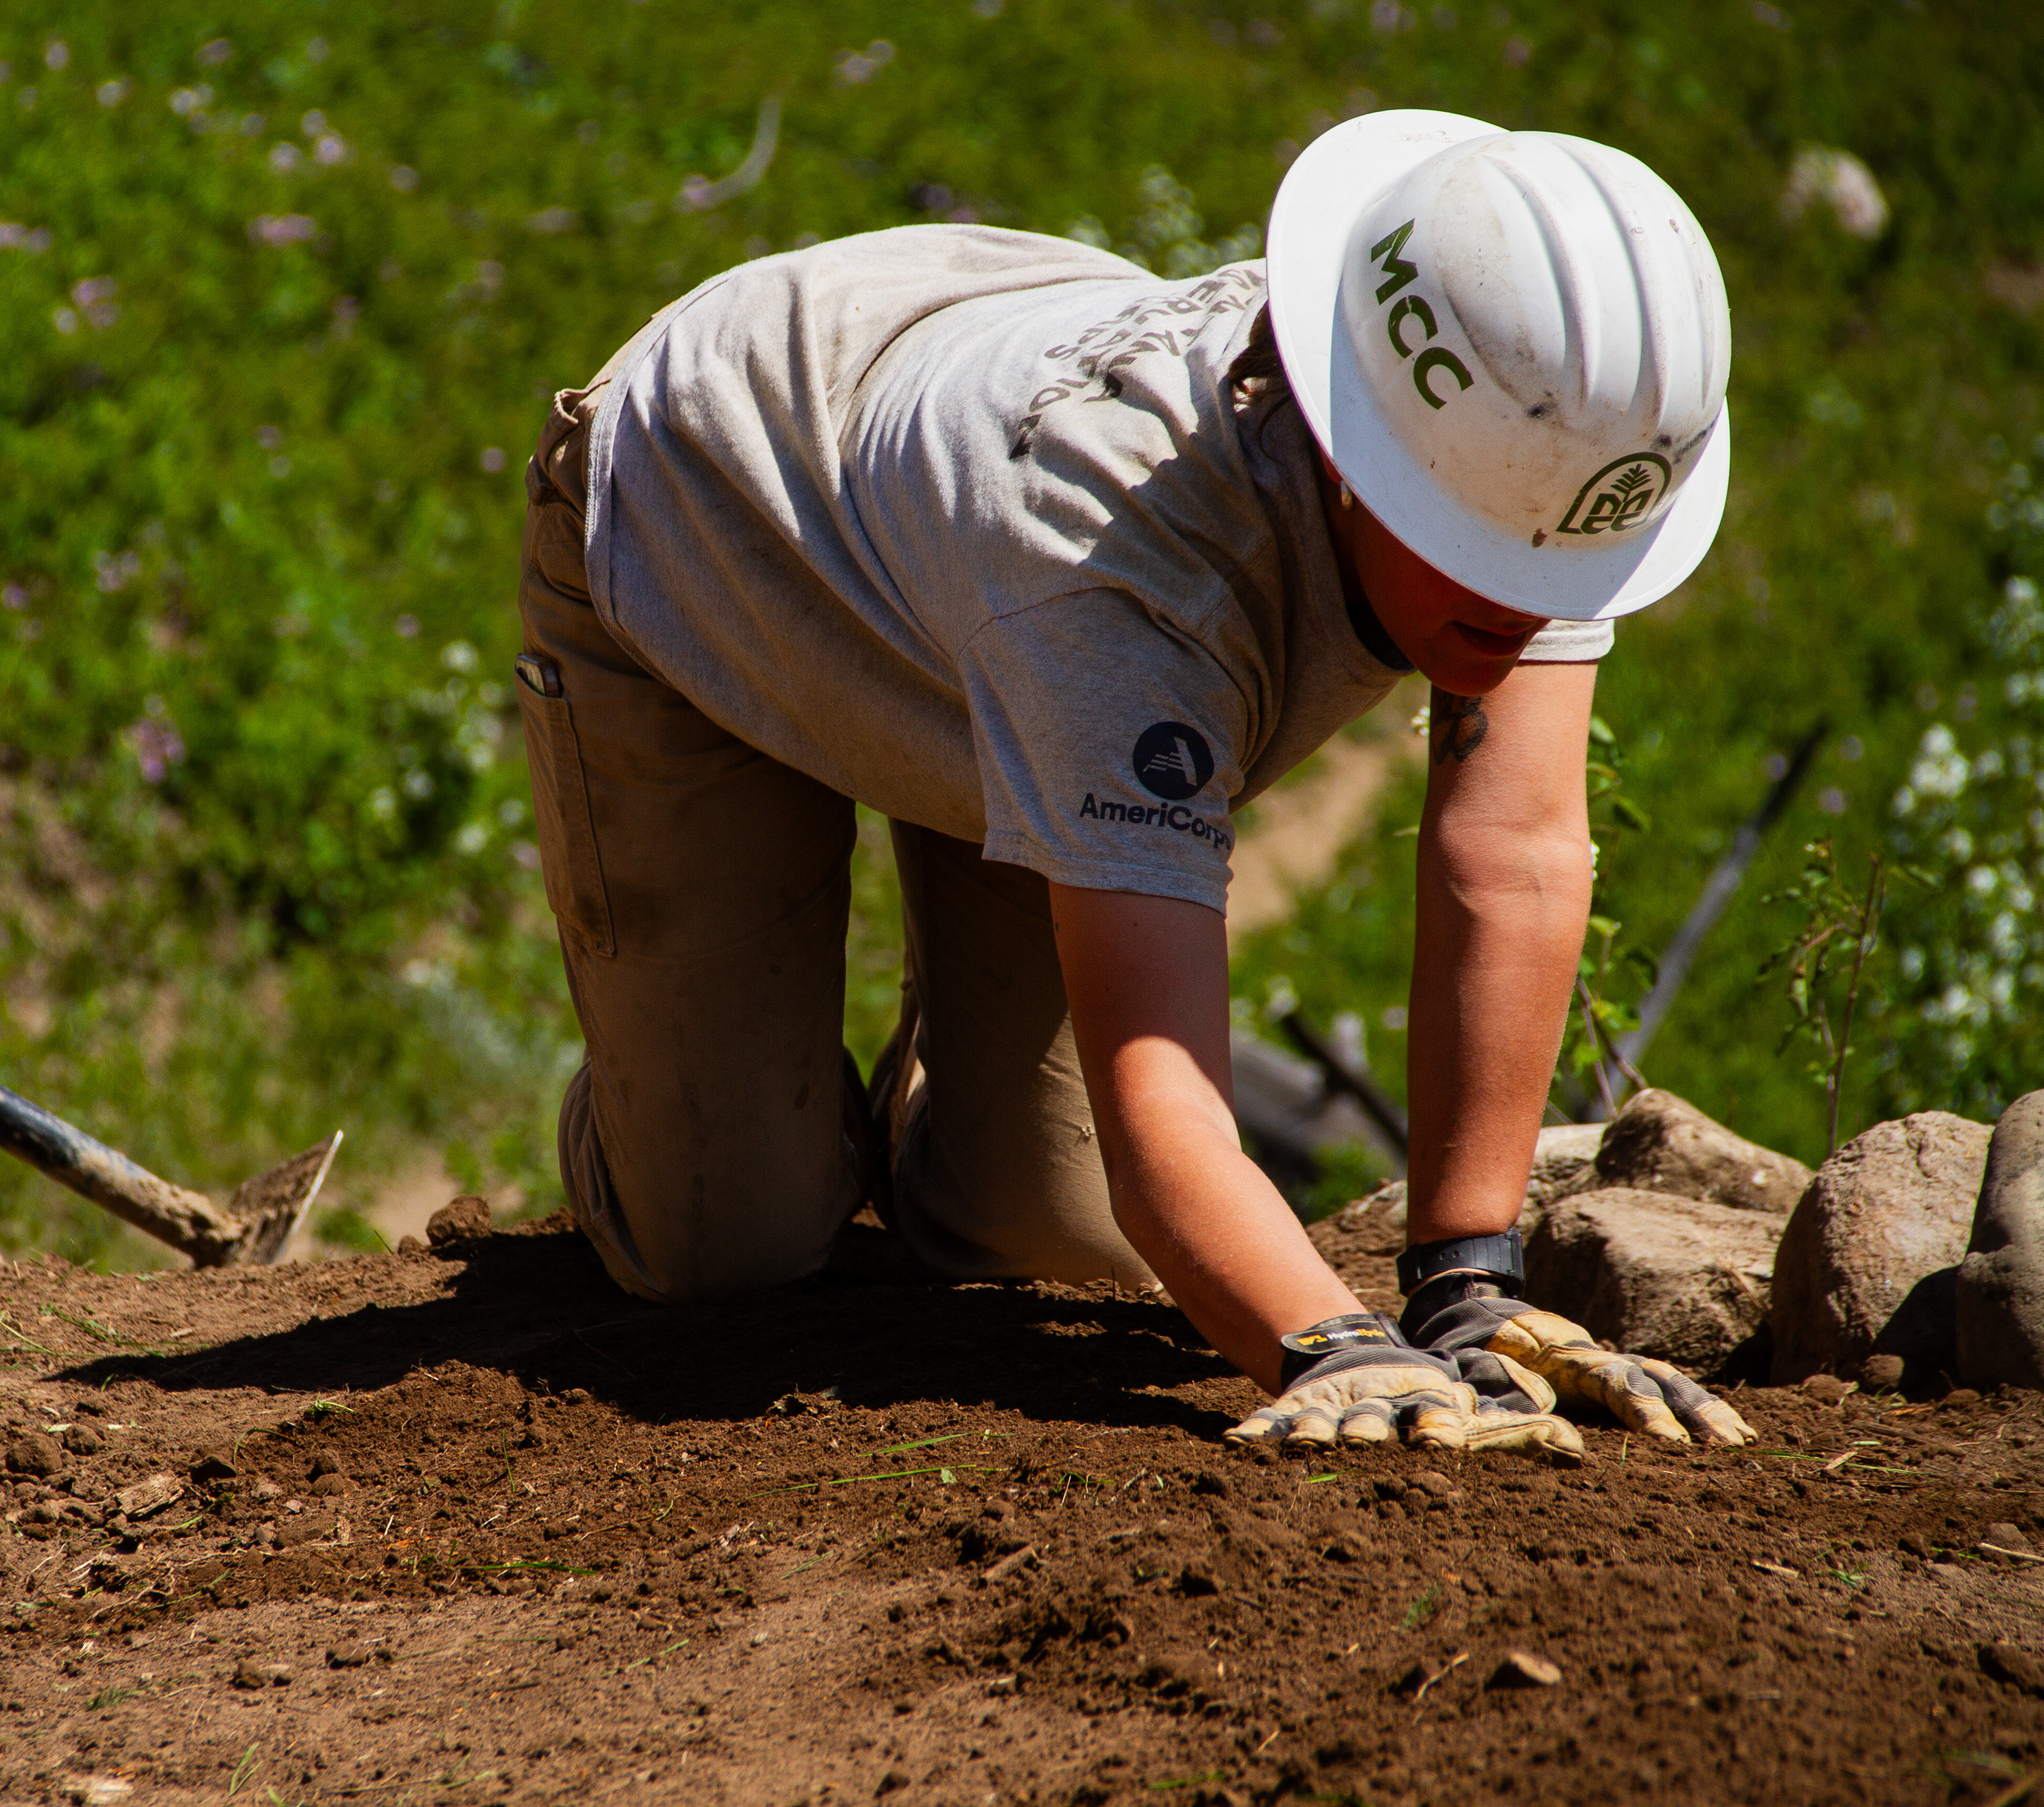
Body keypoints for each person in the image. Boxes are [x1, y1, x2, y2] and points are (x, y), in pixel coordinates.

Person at [510, 109, 1752, 1455]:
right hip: (713, 528)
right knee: (727, 1243)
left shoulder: (1528, 456)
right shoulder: (1118, 573)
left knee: (1052, 1233)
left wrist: (1464, 1288)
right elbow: (1170, 1106)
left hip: (965, 573)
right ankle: (677, 1088)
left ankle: (918, 1096)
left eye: (1553, 576)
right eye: (1482, 561)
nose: (1529, 613)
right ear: (1353, 459)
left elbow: (1509, 853)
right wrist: (1335, 1352)